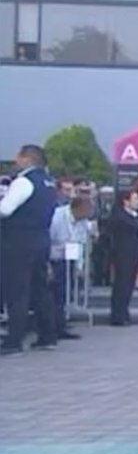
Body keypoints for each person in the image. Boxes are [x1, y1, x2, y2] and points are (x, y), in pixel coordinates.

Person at [0, 144, 60, 356]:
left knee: (17, 290)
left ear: (27, 159)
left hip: (18, 240)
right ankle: (48, 335)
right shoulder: (49, 183)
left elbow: (5, 209)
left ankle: (14, 340)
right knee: (40, 288)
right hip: (41, 239)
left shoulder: (24, 181)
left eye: (18, 156)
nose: (16, 160)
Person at [49, 196, 92, 341]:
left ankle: (60, 326)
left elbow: (81, 243)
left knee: (65, 295)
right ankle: (51, 326)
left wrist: (80, 265)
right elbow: (48, 239)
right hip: (54, 258)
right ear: (77, 208)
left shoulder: (82, 222)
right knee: (54, 295)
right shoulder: (57, 217)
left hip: (69, 260)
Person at [108, 188, 138, 326]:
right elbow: (134, 225)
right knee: (121, 284)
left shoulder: (134, 214)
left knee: (129, 285)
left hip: (133, 253)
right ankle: (117, 315)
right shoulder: (120, 216)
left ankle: (124, 312)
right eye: (135, 199)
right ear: (125, 201)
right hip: (123, 253)